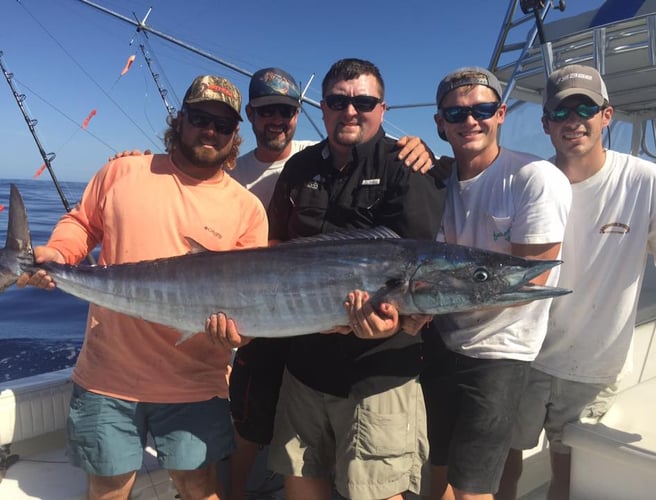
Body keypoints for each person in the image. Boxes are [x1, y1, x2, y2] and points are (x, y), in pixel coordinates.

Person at [17, 75, 268, 500]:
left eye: (222, 125)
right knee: (108, 490)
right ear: (180, 118)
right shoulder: (123, 170)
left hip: (195, 381)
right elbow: (82, 224)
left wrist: (240, 334)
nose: (210, 130)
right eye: (201, 117)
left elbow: (252, 302)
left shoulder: (247, 209)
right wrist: (59, 254)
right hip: (107, 374)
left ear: (234, 136)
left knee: (198, 485)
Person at [226, 66, 441, 500]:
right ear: (321, 109)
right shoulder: (301, 166)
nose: (350, 110)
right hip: (303, 370)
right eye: (338, 101)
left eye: (363, 102)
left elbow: (424, 274)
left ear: (382, 109)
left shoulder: (408, 165)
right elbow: (274, 247)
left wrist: (398, 321)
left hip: (377, 375)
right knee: (301, 486)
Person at [496, 64, 656, 500]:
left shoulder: (646, 181)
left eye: (586, 107)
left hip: (593, 366)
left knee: (569, 476)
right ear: (546, 122)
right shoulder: (528, 182)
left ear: (606, 115)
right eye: (561, 111)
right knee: (504, 462)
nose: (574, 121)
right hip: (524, 354)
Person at [419, 66, 572, 500]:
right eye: (457, 112)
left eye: (482, 109)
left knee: (472, 488)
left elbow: (531, 278)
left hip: (499, 355)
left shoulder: (534, 178)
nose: (470, 120)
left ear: (500, 113)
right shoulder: (438, 182)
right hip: (441, 345)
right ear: (440, 122)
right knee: (437, 470)